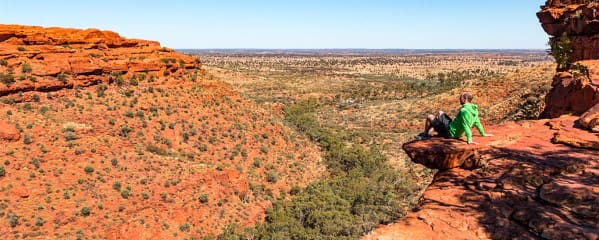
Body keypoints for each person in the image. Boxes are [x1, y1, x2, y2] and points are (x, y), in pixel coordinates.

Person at [421, 92, 493, 144]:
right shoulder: (474, 109)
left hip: (451, 132)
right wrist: (483, 134)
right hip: (454, 128)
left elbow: (466, 125)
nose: (459, 99)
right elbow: (477, 123)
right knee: (440, 112)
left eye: (460, 98)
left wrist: (469, 140)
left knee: (429, 117)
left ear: (465, 99)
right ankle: (430, 131)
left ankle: (425, 135)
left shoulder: (463, 111)